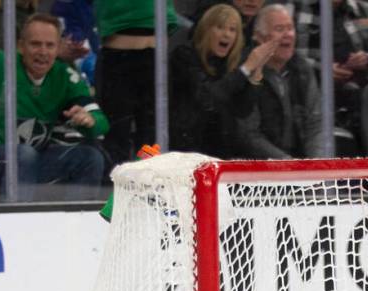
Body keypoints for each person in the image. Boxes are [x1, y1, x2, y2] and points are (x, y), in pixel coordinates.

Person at [0, 13, 109, 201]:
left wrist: (89, 120)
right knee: (23, 154)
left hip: (33, 161)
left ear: (58, 48)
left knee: (89, 158)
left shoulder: (65, 77)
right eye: (35, 44)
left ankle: (76, 226)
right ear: (20, 46)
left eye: (50, 45)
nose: (43, 52)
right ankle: (15, 224)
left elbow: (101, 122)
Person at [169, 3, 276, 158]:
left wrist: (255, 75)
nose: (227, 35)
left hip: (221, 154)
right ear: (206, 30)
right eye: (220, 27)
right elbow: (207, 98)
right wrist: (246, 68)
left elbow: (242, 109)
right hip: (188, 154)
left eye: (232, 30)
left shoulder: (229, 67)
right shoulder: (184, 57)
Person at [94, 0, 178, 166]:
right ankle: (116, 189)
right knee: (117, 136)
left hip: (155, 58)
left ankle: (147, 188)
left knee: (152, 139)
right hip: (118, 56)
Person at [234, 4, 324, 159]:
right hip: (259, 166)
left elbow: (315, 125)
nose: (288, 34)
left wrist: (316, 163)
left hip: (299, 163)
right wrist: (287, 164)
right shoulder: (247, 70)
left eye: (290, 28)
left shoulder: (302, 68)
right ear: (259, 37)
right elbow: (249, 134)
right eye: (279, 29)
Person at [295, 0, 368, 141]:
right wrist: (321, 70)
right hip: (314, 97)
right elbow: (286, 55)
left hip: (363, 98)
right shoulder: (297, 8)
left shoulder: (366, 10)